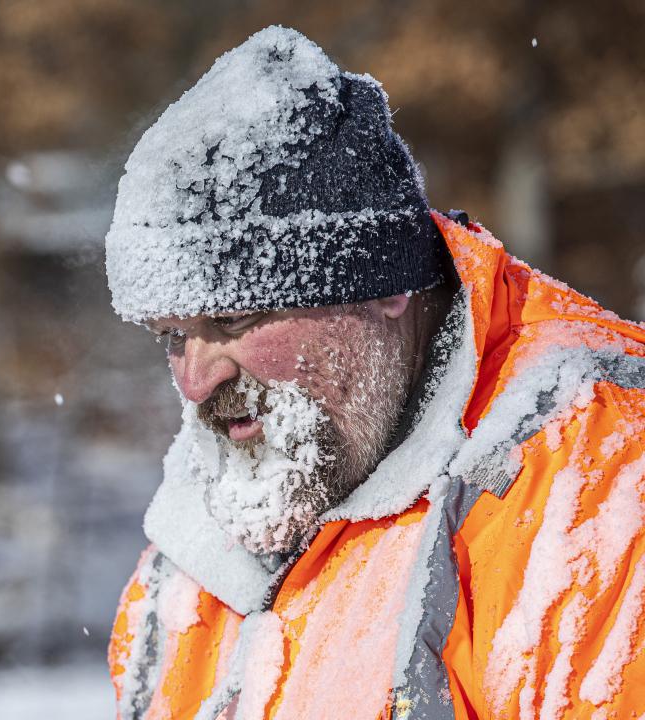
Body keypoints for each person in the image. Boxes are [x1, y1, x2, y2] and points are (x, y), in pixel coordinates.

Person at [103, 25, 645, 720]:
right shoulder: (192, 545)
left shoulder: (600, 485)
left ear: (384, 284)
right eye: (174, 336)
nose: (195, 380)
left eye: (235, 322)